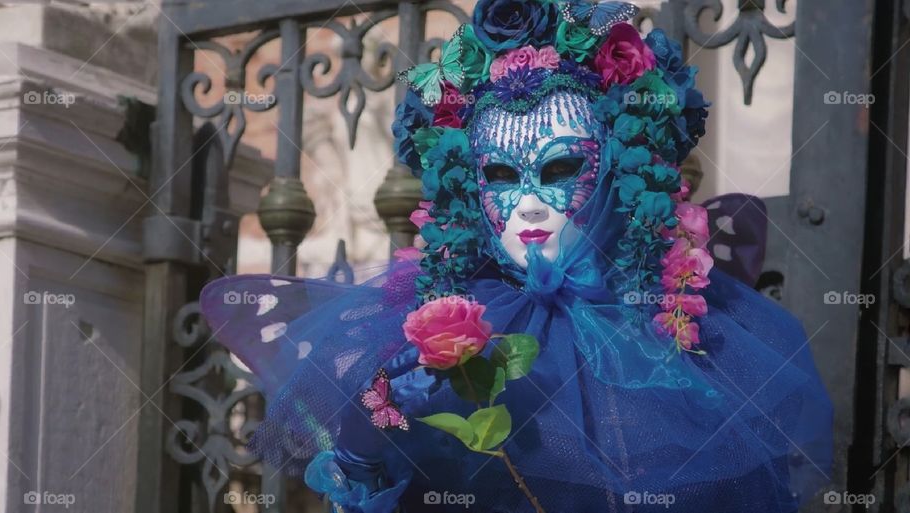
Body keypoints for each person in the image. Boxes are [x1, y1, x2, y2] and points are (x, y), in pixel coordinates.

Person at [200, 1, 833, 511]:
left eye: (559, 167)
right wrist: (372, 437)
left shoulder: (685, 323)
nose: (529, 206)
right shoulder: (425, 331)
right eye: (501, 175)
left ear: (621, 167)